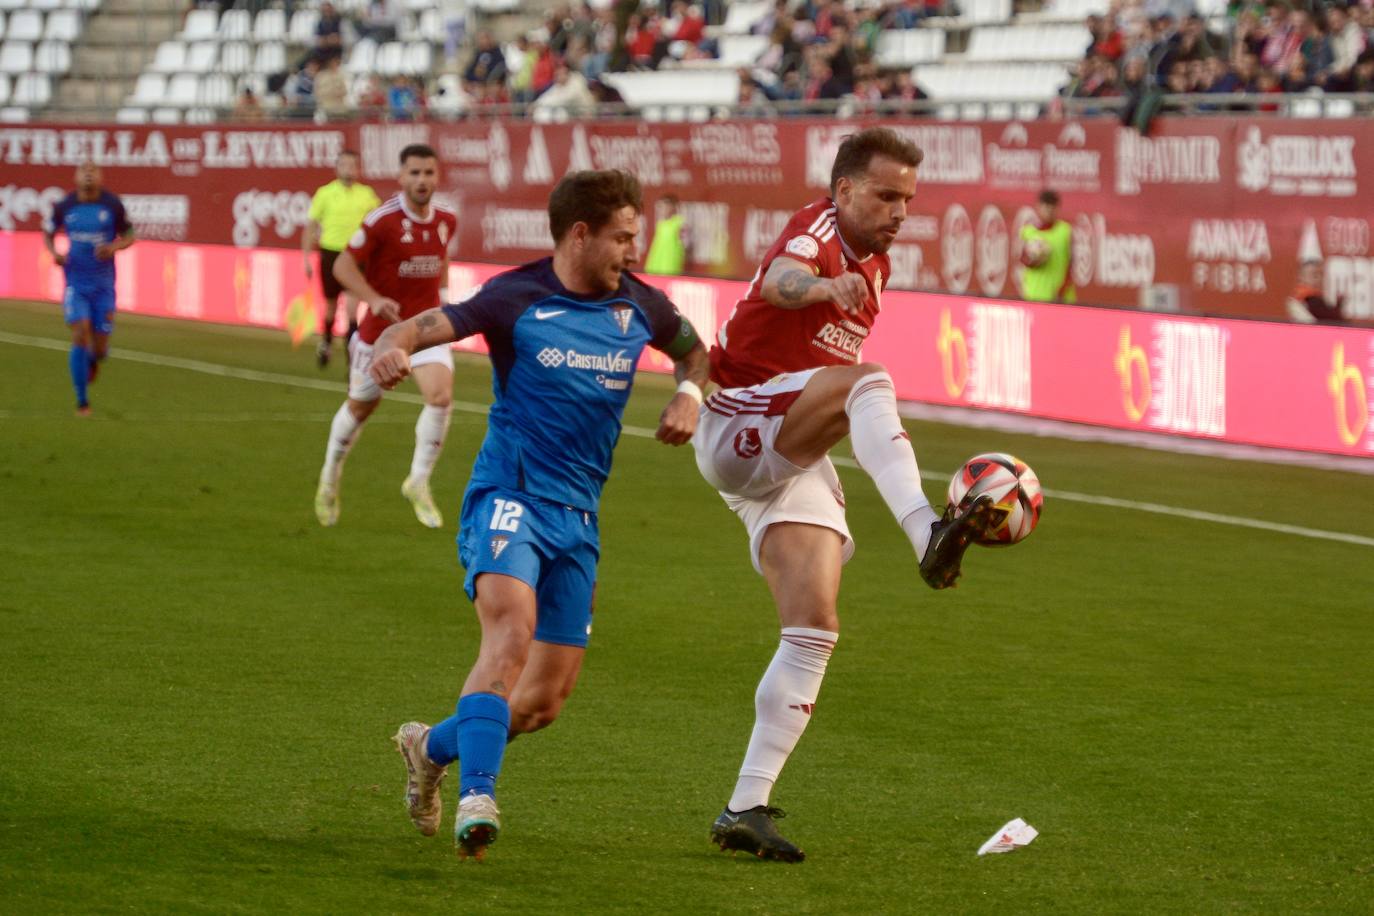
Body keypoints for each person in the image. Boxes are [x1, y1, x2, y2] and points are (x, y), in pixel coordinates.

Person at [372, 169, 709, 860]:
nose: (632, 250)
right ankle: (479, 796)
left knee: (540, 704)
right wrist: (393, 345)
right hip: (509, 496)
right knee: (509, 634)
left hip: (578, 519)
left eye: (635, 236)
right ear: (580, 234)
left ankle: (429, 747)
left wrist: (690, 397)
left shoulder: (643, 307)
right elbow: (425, 324)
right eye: (621, 237)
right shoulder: (515, 297)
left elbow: (697, 355)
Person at [692, 127, 999, 862]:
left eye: (909, 199)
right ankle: (926, 527)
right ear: (845, 190)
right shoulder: (817, 231)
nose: (900, 210)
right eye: (887, 195)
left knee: (814, 627)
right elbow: (778, 284)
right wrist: (825, 286)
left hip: (788, 447)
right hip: (738, 416)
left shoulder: (880, 266)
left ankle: (745, 807)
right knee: (871, 382)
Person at [313, 144, 456, 529]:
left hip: (425, 328)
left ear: (436, 176)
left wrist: (444, 300)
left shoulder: (446, 219)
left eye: (428, 173)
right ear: (401, 176)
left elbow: (441, 262)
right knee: (361, 407)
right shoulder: (382, 220)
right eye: (414, 173)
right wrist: (373, 300)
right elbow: (342, 265)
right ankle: (330, 475)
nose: (422, 180)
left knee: (440, 396)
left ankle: (418, 481)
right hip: (381, 335)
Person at [42, 161, 136, 415]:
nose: (88, 174)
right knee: (80, 333)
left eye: (93, 170)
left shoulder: (112, 205)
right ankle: (82, 401)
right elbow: (48, 232)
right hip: (76, 282)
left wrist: (114, 247)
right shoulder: (65, 205)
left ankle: (94, 360)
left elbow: (130, 235)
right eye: (83, 170)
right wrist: (55, 254)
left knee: (101, 347)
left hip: (104, 285)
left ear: (101, 176)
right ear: (75, 176)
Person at [305, 150, 381, 368]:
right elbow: (311, 225)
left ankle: (352, 358)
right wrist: (306, 258)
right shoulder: (325, 193)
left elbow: (378, 226)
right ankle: (327, 342)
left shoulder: (367, 195)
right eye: (344, 165)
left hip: (355, 256)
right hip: (329, 253)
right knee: (330, 305)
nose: (348, 169)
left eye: (352, 165)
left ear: (358, 168)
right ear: (337, 168)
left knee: (352, 307)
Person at [1019, 189, 1075, 303]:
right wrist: (1034, 258)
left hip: (1060, 296)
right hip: (1034, 294)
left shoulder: (1065, 231)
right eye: (1046, 207)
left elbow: (1072, 263)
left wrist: (1063, 288)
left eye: (1052, 208)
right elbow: (1022, 259)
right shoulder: (1028, 231)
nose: (1049, 211)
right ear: (1038, 207)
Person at [1286, 259, 1345, 325]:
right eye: (1314, 275)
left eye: (1321, 275)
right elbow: (1334, 319)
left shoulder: (1311, 298)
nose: (1319, 279)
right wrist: (1339, 304)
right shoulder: (1309, 299)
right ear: (1301, 277)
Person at [644, 194, 691, 276]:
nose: (660, 210)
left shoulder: (680, 224)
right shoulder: (661, 224)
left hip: (670, 268)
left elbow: (685, 245)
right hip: (655, 267)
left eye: (663, 207)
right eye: (659, 207)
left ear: (672, 207)